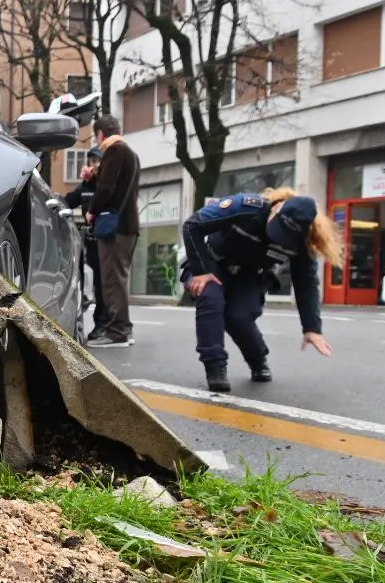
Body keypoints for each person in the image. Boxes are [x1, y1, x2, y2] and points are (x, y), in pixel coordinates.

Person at [180, 187, 343, 393]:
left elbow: (306, 283)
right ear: (277, 208)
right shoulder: (245, 207)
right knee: (210, 296)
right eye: (278, 229)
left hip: (249, 274)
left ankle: (258, 359)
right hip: (212, 262)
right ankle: (215, 367)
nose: (277, 238)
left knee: (238, 317)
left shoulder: (303, 242)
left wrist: (312, 328)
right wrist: (201, 270)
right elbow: (192, 226)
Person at [86, 114, 140, 348]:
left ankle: (117, 331)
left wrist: (92, 210)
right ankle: (123, 329)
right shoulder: (130, 154)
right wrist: (94, 176)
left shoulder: (114, 151)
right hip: (127, 225)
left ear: (100, 134)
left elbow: (107, 188)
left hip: (115, 227)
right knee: (118, 278)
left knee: (112, 279)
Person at [64, 147, 111, 338]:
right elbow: (68, 201)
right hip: (90, 242)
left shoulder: (107, 185)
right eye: (91, 161)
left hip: (106, 240)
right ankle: (91, 320)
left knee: (104, 285)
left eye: (97, 161)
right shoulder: (85, 188)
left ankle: (104, 324)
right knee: (87, 283)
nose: (94, 165)